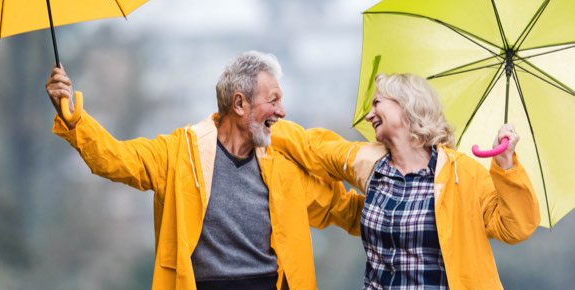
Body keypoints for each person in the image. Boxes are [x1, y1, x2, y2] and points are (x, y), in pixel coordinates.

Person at [45, 51, 363, 290]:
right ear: (239, 104)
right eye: (273, 100)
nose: (282, 111)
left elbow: (343, 210)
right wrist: (73, 118)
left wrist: (404, 205)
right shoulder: (179, 153)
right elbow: (113, 158)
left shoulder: (283, 166)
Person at [271, 73, 540, 289]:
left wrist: (505, 163)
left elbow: (514, 227)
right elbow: (309, 147)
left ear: (408, 106)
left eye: (377, 103)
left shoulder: (462, 174)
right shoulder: (369, 161)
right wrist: (255, 126)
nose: (369, 115)